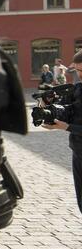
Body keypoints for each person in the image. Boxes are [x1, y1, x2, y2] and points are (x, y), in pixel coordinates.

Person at [41, 50, 82, 213]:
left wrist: (67, 127)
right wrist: (46, 104)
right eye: (77, 70)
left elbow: (68, 124)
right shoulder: (78, 88)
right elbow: (63, 109)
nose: (79, 75)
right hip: (78, 150)